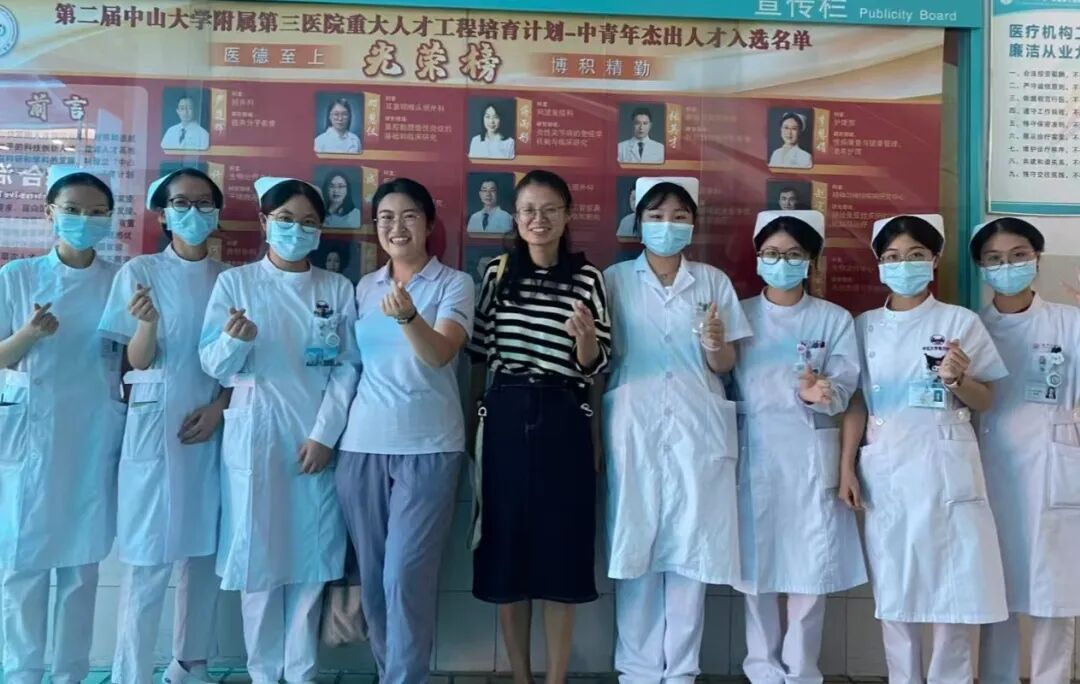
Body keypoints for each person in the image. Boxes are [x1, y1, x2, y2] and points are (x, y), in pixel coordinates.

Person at [199, 177, 357, 684]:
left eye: (308, 222)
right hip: (257, 435)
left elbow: (348, 367)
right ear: (265, 222)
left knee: (311, 563)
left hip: (315, 437)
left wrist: (325, 435)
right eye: (286, 220)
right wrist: (234, 340)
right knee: (259, 566)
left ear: (321, 230)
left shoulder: (336, 288)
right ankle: (265, 674)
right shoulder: (236, 284)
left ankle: (302, 673)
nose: (296, 230)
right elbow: (214, 366)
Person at [839, 214, 1008, 683]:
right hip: (887, 469)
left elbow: (986, 399)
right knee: (896, 589)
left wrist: (957, 380)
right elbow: (856, 401)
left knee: (957, 588)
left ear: (934, 260)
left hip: (945, 464)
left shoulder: (959, 321)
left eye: (915, 255)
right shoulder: (864, 327)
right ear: (879, 264)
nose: (904, 265)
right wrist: (846, 467)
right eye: (892, 257)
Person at [603, 177, 749, 684]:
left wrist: (715, 344)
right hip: (634, 427)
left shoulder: (712, 282)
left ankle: (682, 671)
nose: (668, 225)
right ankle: (638, 672)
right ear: (639, 223)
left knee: (691, 553)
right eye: (658, 216)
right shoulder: (614, 280)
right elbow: (600, 359)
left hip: (696, 428)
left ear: (693, 225)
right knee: (636, 550)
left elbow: (726, 364)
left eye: (680, 216)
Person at [468, 169, 611, 684]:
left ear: (568, 215)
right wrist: (471, 427)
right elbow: (478, 356)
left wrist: (586, 341)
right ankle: (522, 678)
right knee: (507, 552)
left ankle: (555, 679)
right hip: (504, 413)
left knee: (561, 551)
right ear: (515, 217)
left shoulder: (588, 278)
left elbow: (596, 366)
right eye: (529, 210)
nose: (539, 219)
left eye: (550, 209)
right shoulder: (496, 272)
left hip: (564, 414)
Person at [335, 178, 475, 684]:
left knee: (405, 575)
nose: (397, 227)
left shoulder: (454, 284)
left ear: (429, 224)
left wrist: (410, 316)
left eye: (409, 215)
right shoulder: (363, 288)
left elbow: (439, 354)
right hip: (361, 447)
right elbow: (350, 367)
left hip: (429, 448)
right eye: (386, 218)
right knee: (373, 579)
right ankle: (387, 672)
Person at [100, 168, 230, 684]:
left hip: (213, 423)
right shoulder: (140, 271)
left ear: (217, 214)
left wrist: (219, 409)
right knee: (148, 558)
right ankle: (131, 672)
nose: (193, 213)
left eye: (203, 203)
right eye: (181, 203)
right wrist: (148, 324)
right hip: (155, 424)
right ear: (163, 214)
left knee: (202, 553)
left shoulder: (229, 279)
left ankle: (189, 665)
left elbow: (244, 364)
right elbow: (134, 360)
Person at [0, 166, 126, 684]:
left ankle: (70, 673)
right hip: (32, 434)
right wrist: (28, 334)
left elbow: (135, 357)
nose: (83, 221)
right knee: (22, 566)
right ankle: (22, 673)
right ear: (49, 212)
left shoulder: (120, 280)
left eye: (96, 213)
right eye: (72, 210)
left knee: (81, 568)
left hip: (93, 430)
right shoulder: (17, 276)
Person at [734, 210, 867, 684]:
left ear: (811, 260)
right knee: (756, 574)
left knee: (811, 571)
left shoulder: (833, 319)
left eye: (793, 254)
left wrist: (821, 392)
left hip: (811, 453)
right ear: (757, 257)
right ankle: (762, 670)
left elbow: (847, 387)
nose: (782, 262)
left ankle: (802, 671)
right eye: (772, 253)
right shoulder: (740, 314)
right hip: (754, 453)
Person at [968, 217, 1080, 684]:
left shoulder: (1070, 322)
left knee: (1056, 591)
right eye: (994, 259)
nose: (1007, 266)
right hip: (990, 465)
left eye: (1017, 256)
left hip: (1055, 463)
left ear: (1037, 258)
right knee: (998, 591)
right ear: (980, 267)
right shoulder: (969, 326)